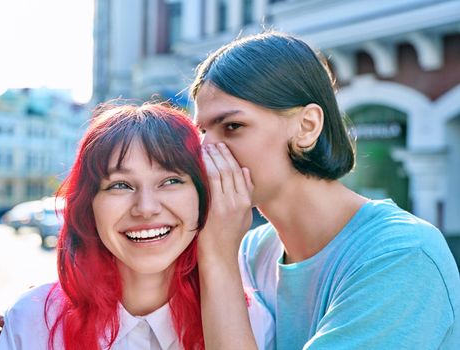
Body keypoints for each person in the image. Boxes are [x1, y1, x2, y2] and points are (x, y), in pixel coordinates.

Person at [193, 31, 460, 349]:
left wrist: (218, 260)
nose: (205, 151)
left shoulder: (401, 254)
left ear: (307, 127)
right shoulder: (252, 251)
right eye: (202, 132)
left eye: (232, 127)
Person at [0, 102, 274, 349]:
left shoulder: (250, 322)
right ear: (88, 206)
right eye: (120, 185)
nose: (146, 208)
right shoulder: (32, 321)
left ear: (204, 196)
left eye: (171, 181)